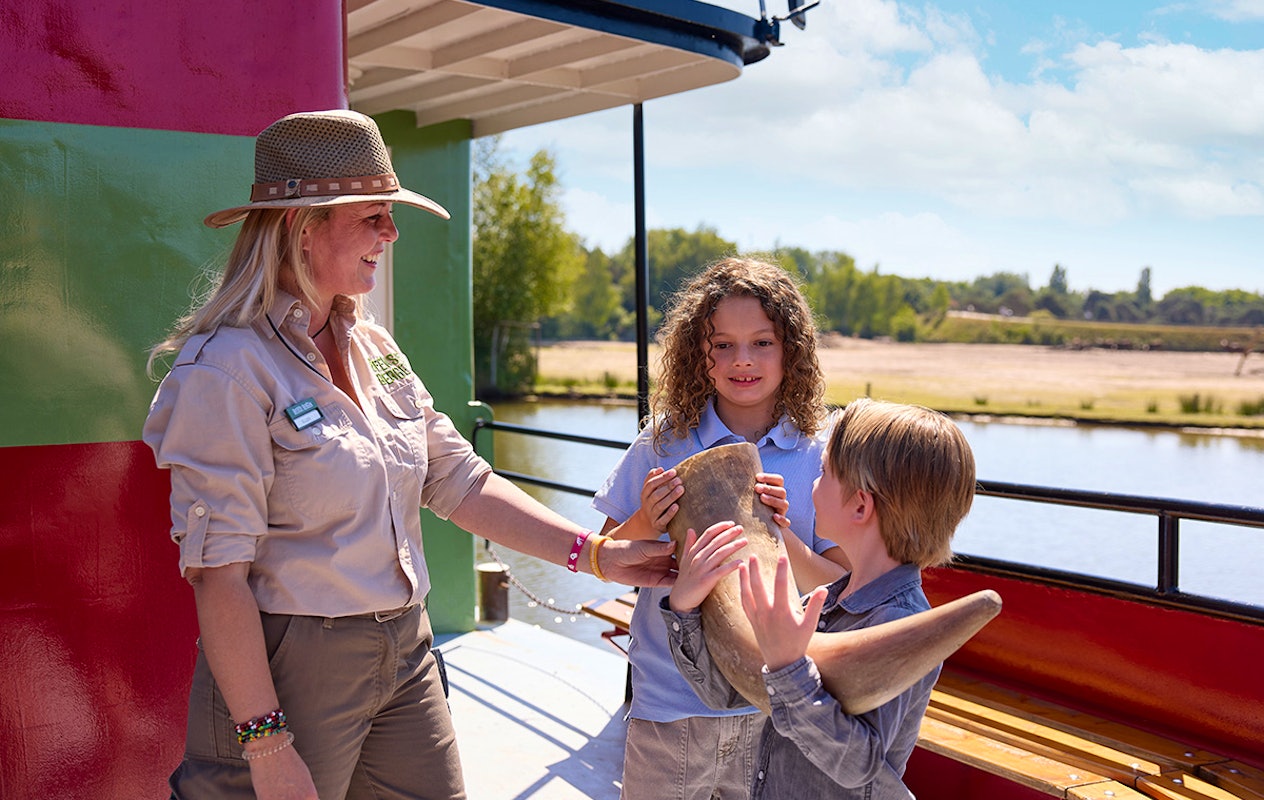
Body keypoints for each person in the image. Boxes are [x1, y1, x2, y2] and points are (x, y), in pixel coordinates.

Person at [142, 109, 677, 800]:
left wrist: (596, 554)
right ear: (305, 228)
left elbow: (457, 477)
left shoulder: (375, 348)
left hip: (404, 649)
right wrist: (265, 741)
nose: (390, 233)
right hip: (290, 662)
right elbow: (219, 575)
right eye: (373, 216)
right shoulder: (227, 370)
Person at [592, 257, 845, 799]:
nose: (742, 361)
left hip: (777, 710)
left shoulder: (820, 454)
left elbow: (842, 586)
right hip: (670, 707)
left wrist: (784, 535)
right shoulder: (662, 443)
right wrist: (644, 520)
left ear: (792, 350)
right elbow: (606, 561)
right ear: (697, 354)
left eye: (762, 343)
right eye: (723, 345)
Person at [663, 398, 977, 799]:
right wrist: (686, 608)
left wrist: (787, 667)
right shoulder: (822, 601)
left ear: (861, 505)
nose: (813, 483)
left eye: (824, 472)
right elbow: (728, 693)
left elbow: (857, 766)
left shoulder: (897, 623)